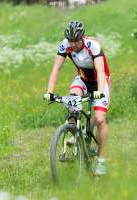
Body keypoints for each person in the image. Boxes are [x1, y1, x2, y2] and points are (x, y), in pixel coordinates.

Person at [43, 20, 111, 176]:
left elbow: (100, 71)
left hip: (101, 81)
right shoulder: (65, 45)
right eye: (70, 41)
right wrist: (50, 91)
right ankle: (72, 132)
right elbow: (56, 68)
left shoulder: (92, 45)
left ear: (82, 37)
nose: (72, 44)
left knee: (99, 119)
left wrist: (99, 92)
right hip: (83, 79)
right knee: (73, 99)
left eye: (75, 41)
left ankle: (101, 160)